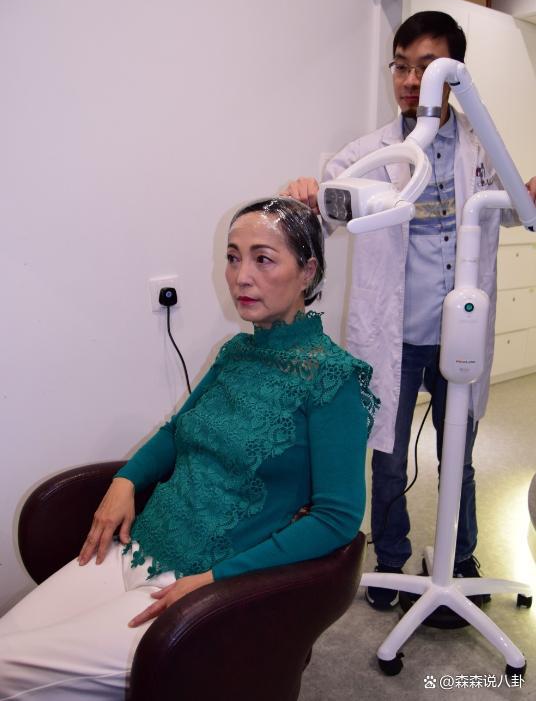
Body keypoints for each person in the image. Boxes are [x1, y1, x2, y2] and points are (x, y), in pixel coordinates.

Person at [0, 196, 379, 700]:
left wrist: (216, 580)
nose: (242, 277)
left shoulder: (332, 378)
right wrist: (125, 481)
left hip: (203, 589)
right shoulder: (236, 353)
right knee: (8, 641)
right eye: (233, 257)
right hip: (138, 544)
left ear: (307, 272)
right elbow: (177, 432)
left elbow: (337, 518)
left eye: (264, 259)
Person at [282, 11, 536, 610]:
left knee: (459, 457)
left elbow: (509, 210)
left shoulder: (481, 146)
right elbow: (328, 212)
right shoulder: (369, 153)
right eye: (401, 65)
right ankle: (391, 560)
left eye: (426, 66)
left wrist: (526, 196)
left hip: (460, 333)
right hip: (395, 335)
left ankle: (460, 556)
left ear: (454, 75)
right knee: (390, 459)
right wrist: (306, 194)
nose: (410, 79)